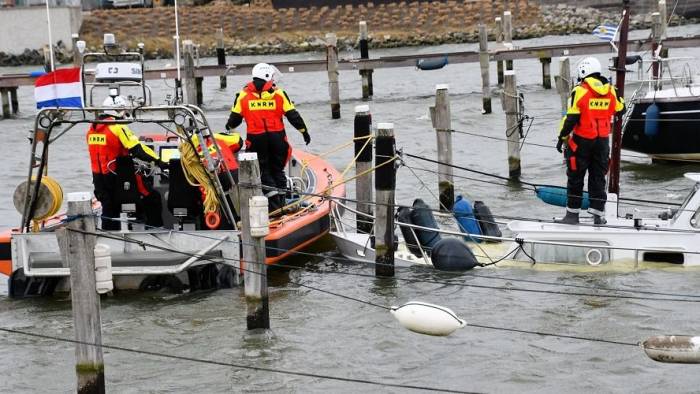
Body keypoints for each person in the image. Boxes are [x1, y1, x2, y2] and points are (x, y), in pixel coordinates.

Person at [225, 63, 310, 211]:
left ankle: (274, 205)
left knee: (263, 171)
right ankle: (282, 202)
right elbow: (293, 116)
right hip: (278, 139)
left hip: (256, 140)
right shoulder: (279, 94)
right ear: (267, 76)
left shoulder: (243, 96)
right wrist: (304, 131)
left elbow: (234, 120)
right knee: (278, 170)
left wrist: (228, 127)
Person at [555, 57, 625, 225]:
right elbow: (620, 109)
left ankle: (572, 216)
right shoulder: (611, 90)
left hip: (582, 142)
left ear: (583, 71)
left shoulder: (580, 90)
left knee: (575, 178)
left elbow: (571, 117)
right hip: (602, 142)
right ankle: (598, 216)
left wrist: (561, 137)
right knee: (598, 178)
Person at [87, 95, 168, 230]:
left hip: (99, 180)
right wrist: (159, 161)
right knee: (153, 198)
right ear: (118, 110)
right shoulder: (118, 127)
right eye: (123, 110)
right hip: (119, 179)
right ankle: (156, 231)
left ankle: (110, 238)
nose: (125, 113)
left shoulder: (92, 129)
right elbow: (137, 149)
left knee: (109, 208)